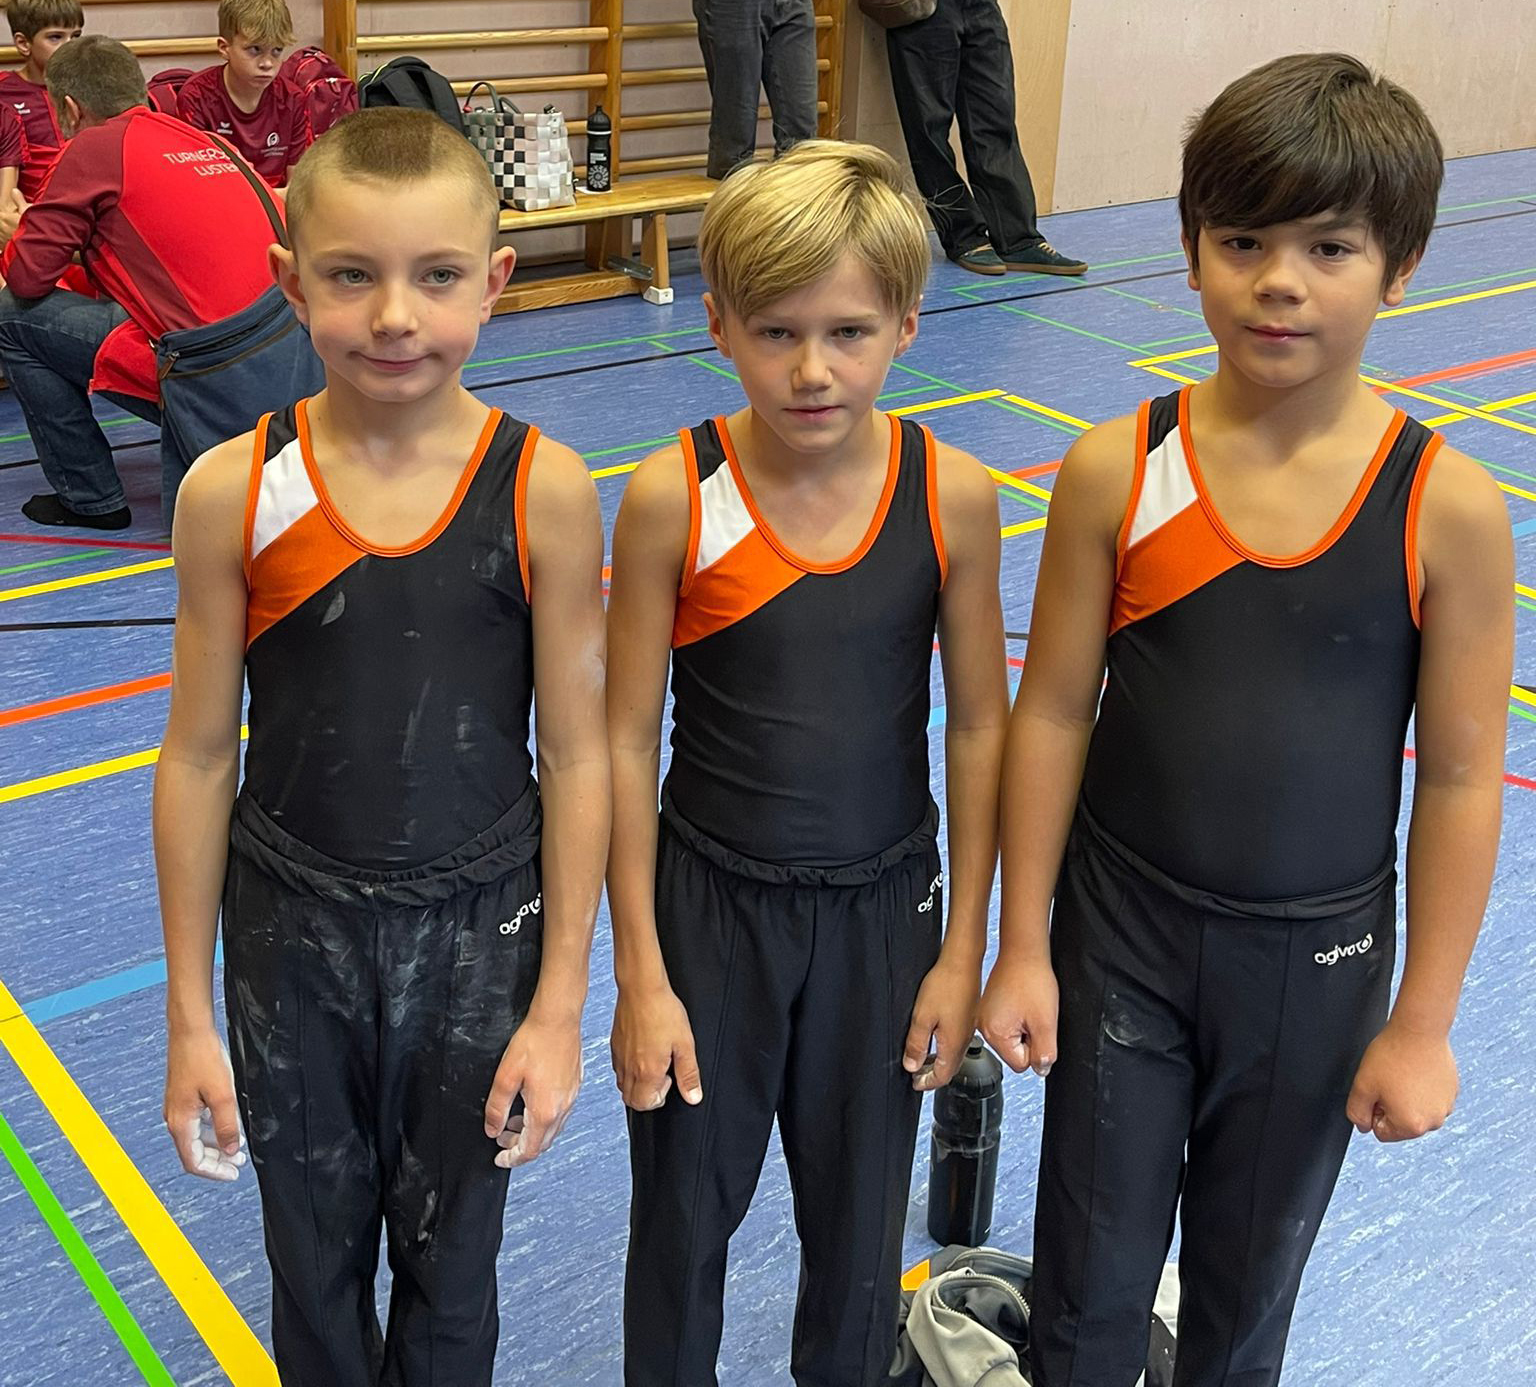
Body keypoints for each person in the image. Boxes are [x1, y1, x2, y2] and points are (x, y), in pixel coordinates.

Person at [978, 52, 1513, 1387]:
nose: (1280, 281)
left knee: (1244, 1296)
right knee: (1086, 1286)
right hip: (1123, 939)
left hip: (1315, 965)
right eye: (1244, 241)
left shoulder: (1444, 507)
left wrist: (1423, 1020)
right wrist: (1023, 939)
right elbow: (1054, 711)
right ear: (1190, 249)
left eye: (1330, 247)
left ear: (1401, 267)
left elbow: (1459, 778)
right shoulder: (1119, 469)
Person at [152, 107, 610, 1385]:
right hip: (290, 937)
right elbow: (198, 756)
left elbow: (580, 756)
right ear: (290, 280)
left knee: (456, 1268)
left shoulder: (545, 489)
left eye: (437, 275)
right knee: (311, 1261)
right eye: (351, 275)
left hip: (481, 935)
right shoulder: (231, 491)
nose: (395, 316)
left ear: (495, 280)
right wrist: (189, 1015)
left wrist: (561, 1003)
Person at [607, 139, 1009, 1386]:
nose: (813, 369)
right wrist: (640, 972)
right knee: (681, 1223)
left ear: (907, 325)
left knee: (859, 1236)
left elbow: (981, 727)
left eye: (848, 332)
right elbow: (620, 739)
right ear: (718, 325)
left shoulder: (951, 494)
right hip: (709, 914)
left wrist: (963, 949)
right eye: (776, 332)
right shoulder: (675, 493)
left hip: (885, 916)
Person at [0, 35, 283, 529]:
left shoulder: (95, 147)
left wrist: (17, 235)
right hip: (294, 368)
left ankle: (90, 497)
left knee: (9, 316)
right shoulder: (207, 140)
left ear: (70, 109)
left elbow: (27, 278)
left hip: (216, 376)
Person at [885, 0, 1086, 277]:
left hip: (982, 6)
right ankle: (963, 237)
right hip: (925, 9)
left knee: (996, 120)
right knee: (929, 131)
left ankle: (1017, 239)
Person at [174, 0, 310, 187]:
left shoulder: (293, 100)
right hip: (221, 199)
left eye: (277, 50)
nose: (267, 63)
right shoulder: (195, 97)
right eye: (255, 49)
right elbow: (199, 185)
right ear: (224, 48)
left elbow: (296, 190)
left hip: (276, 203)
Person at [693, 0, 817, 180]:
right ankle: (731, 198)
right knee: (734, 150)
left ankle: (793, 199)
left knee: (803, 144)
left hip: (792, 4)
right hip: (733, 8)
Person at [0, 0, 79, 198]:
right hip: (27, 204)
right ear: (23, 43)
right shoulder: (4, 91)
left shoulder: (88, 87)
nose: (70, 47)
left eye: (76, 36)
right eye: (55, 37)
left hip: (83, 199)